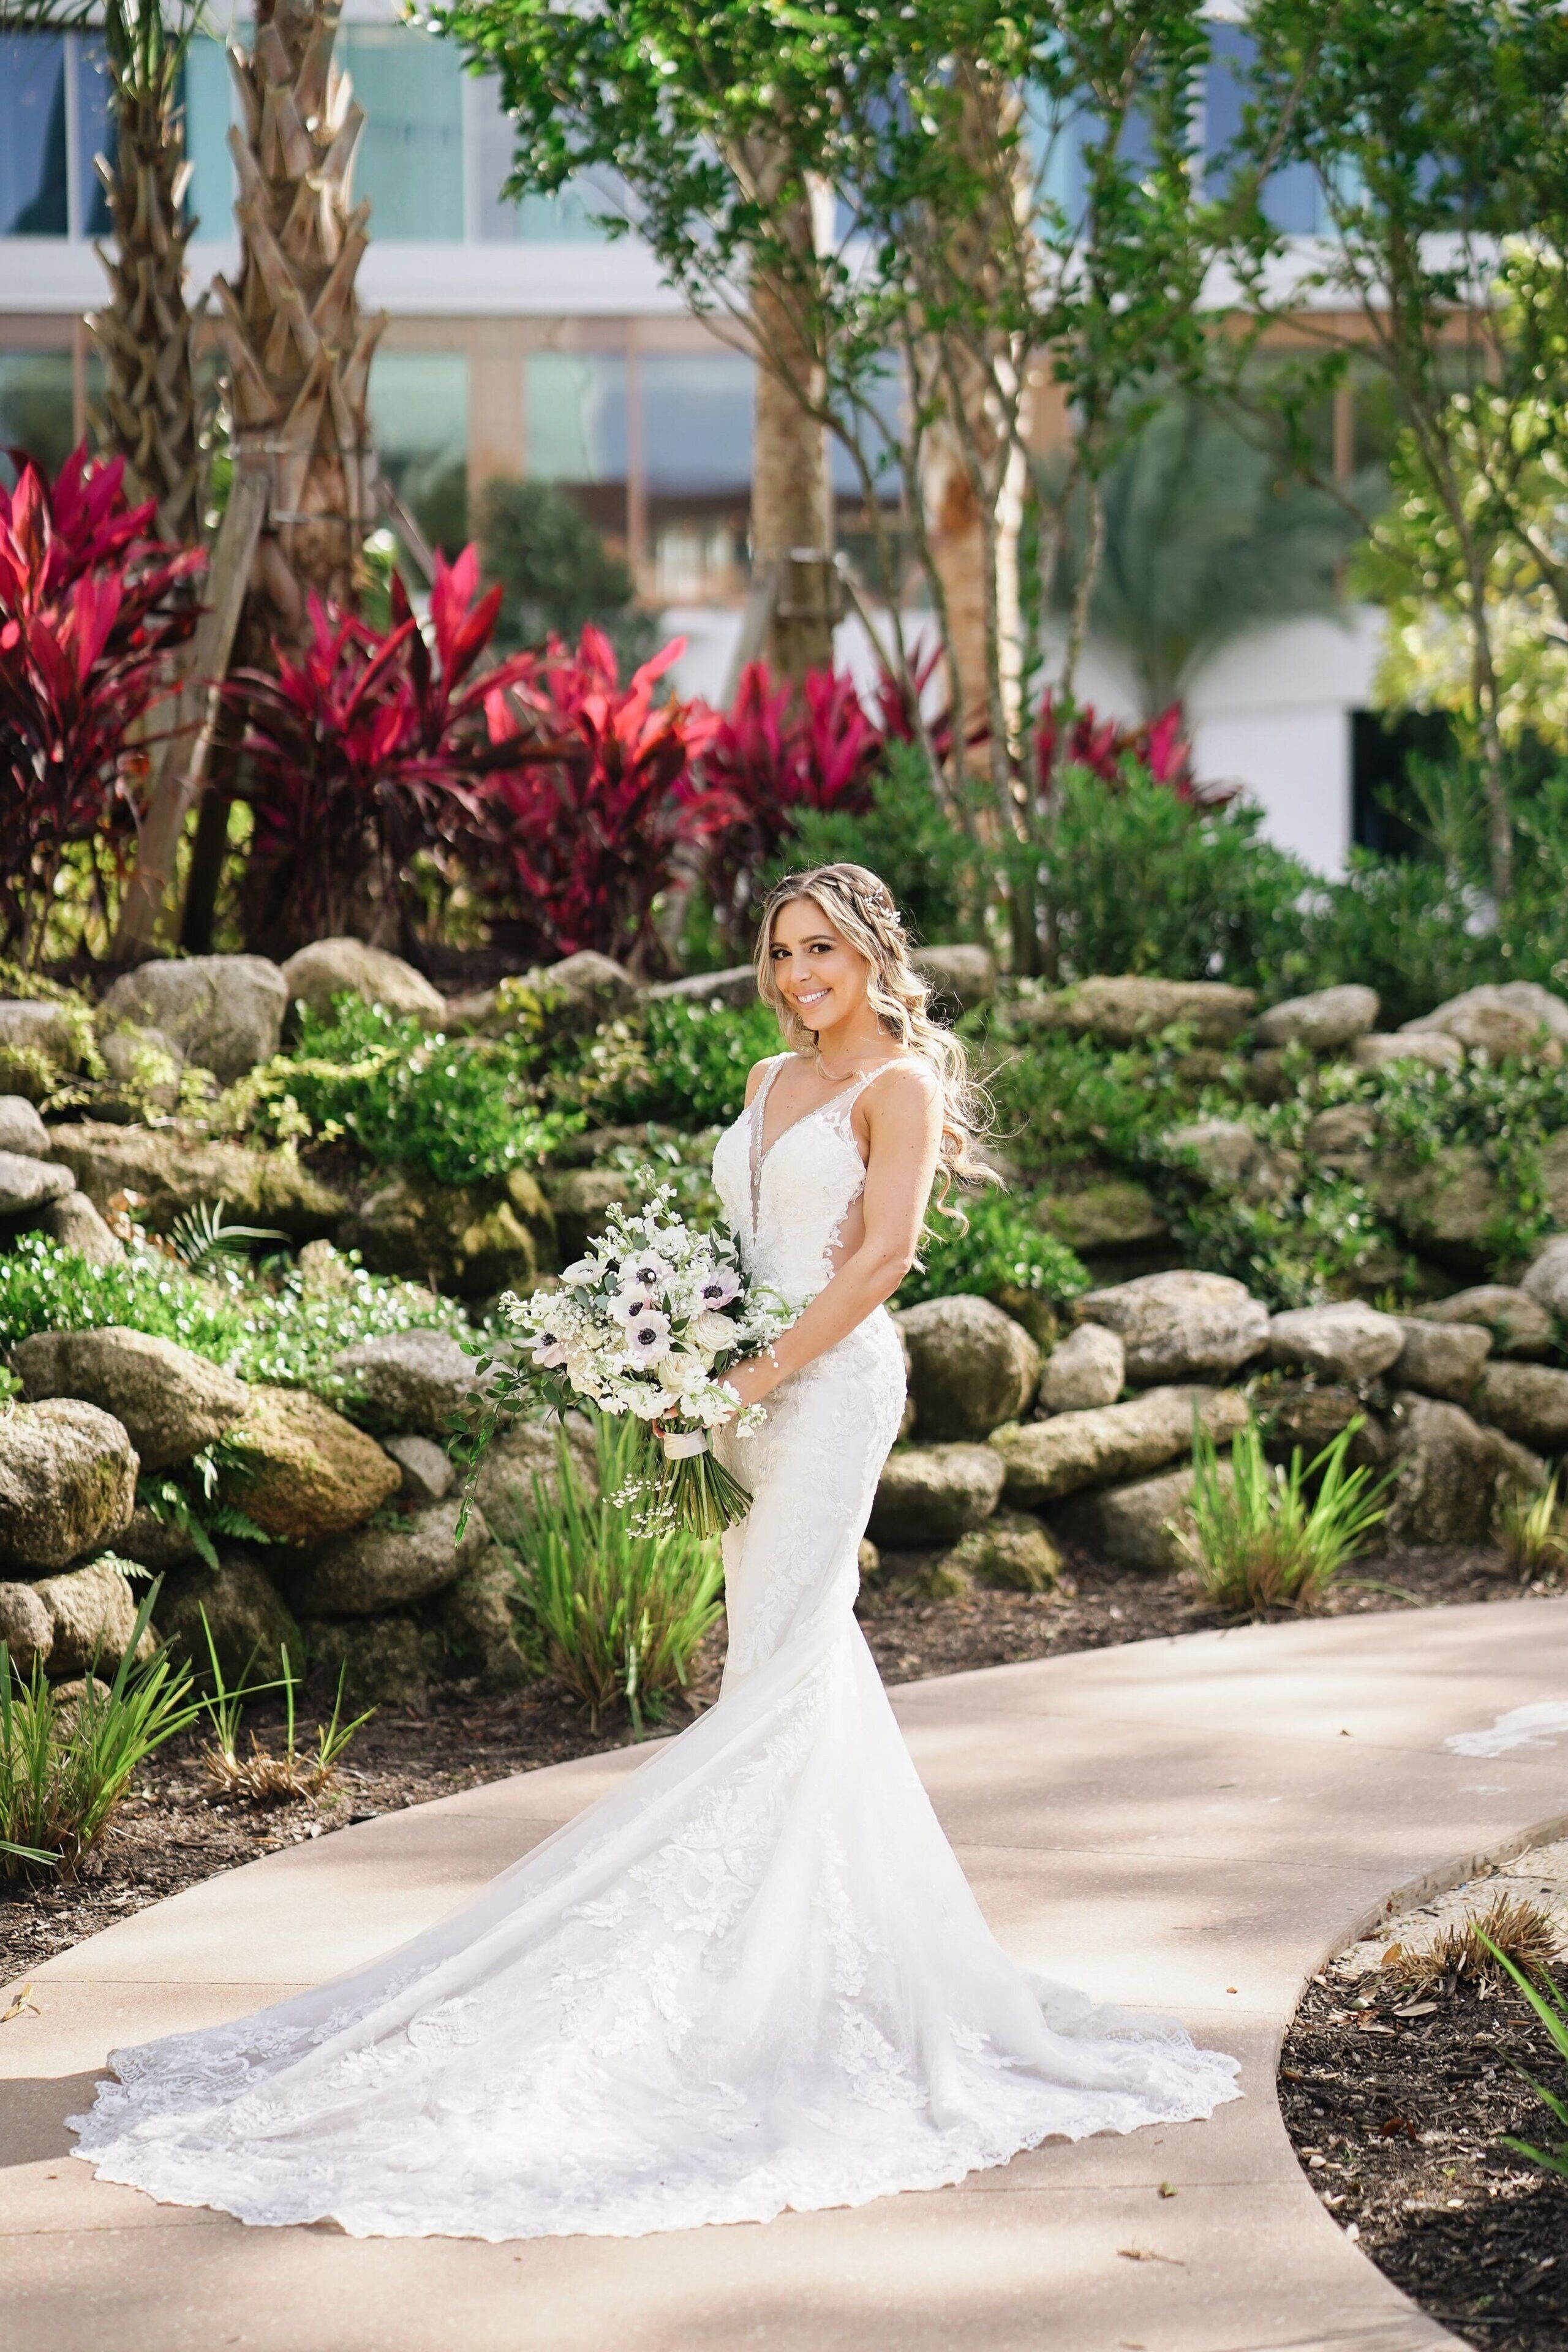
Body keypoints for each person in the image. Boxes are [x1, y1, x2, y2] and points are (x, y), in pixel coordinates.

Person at [69, 862, 1238, 2241]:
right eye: (780, 950)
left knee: (785, 1670)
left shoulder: (897, 1088)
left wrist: (748, 1376)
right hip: (731, 1389)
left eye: (823, 950)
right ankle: (801, 1954)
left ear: (871, 957)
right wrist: (668, 1346)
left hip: (823, 1390)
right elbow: (741, 1244)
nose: (799, 973)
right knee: (784, 1668)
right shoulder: (761, 1077)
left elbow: (880, 1260)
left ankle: (758, 1979)